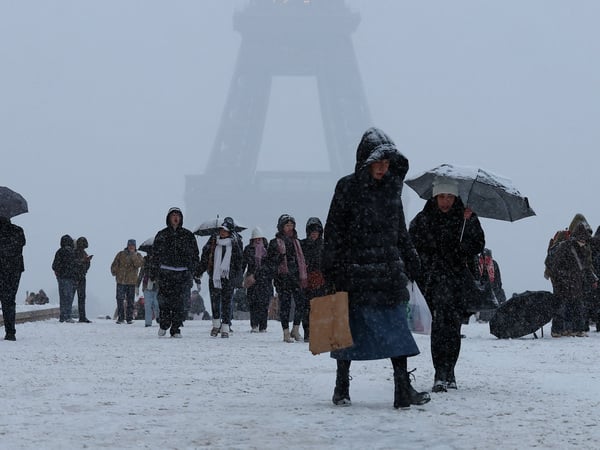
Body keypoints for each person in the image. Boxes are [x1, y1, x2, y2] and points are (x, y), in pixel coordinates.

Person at [321, 127, 430, 409]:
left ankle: (401, 388)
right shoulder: (346, 187)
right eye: (377, 163)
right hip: (356, 274)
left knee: (395, 333)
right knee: (349, 331)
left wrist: (412, 260)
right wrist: (331, 268)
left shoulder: (391, 190)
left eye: (386, 163)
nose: (382, 168)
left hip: (385, 273)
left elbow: (400, 231)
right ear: (365, 162)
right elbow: (334, 231)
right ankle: (342, 385)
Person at [409, 176, 485, 393]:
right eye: (442, 196)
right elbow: (412, 245)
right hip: (433, 281)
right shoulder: (423, 219)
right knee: (439, 327)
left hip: (457, 280)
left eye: (450, 196)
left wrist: (468, 226)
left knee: (453, 328)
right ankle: (439, 373)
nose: (445, 201)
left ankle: (449, 371)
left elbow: (478, 243)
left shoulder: (466, 217)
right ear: (435, 196)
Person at [152, 207, 200, 338]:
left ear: (181, 218)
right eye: (173, 215)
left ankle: (176, 328)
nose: (175, 217)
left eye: (178, 215)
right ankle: (164, 323)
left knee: (180, 304)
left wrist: (195, 271)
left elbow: (195, 255)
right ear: (169, 218)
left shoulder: (188, 235)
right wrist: (153, 273)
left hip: (182, 275)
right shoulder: (162, 235)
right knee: (164, 302)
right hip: (165, 274)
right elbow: (154, 255)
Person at [546, 219, 597, 337]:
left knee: (574, 306)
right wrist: (564, 278)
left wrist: (593, 279)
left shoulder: (580, 248)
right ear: (578, 238)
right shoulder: (565, 247)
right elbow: (556, 266)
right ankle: (558, 330)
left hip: (573, 282)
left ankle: (574, 330)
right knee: (563, 306)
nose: (584, 242)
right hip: (564, 283)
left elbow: (585, 267)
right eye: (583, 240)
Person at [196, 217, 244, 338]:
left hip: (229, 277)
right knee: (215, 301)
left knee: (227, 302)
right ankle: (216, 324)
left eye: (225, 230)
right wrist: (199, 271)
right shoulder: (213, 240)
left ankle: (226, 327)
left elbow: (239, 261)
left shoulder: (236, 242)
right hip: (214, 276)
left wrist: (238, 278)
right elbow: (205, 257)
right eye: (221, 230)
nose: (222, 232)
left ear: (230, 231)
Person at [264, 214, 307, 343]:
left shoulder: (297, 242)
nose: (290, 228)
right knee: (285, 305)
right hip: (283, 278)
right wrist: (279, 258)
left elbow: (302, 259)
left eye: (291, 225)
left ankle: (295, 329)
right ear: (281, 227)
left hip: (297, 277)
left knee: (301, 303)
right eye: (287, 225)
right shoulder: (274, 243)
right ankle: (285, 332)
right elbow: (270, 262)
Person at [300, 217, 326, 343]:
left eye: (317, 230)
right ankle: (308, 332)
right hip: (306, 280)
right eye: (312, 230)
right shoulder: (303, 245)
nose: (314, 233)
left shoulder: (324, 245)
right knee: (307, 308)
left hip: (322, 280)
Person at [242, 227, 272, 332]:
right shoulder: (248, 249)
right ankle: (254, 325)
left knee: (264, 304)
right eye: (256, 238)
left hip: (265, 279)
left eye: (260, 238)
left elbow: (270, 265)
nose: (258, 240)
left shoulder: (268, 250)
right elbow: (244, 264)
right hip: (252, 280)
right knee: (253, 303)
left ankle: (263, 326)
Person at [0, 216, 26, 340]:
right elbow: (22, 244)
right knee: (9, 300)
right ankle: (10, 332)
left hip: (2, 268)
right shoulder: (18, 230)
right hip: (14, 269)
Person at [110, 239, 144, 324]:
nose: (131, 247)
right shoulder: (121, 254)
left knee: (130, 300)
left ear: (135, 246)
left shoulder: (138, 255)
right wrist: (115, 271)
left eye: (133, 245)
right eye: (130, 245)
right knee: (119, 299)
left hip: (131, 282)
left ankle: (129, 318)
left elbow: (138, 264)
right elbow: (114, 264)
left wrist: (133, 255)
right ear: (127, 245)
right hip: (120, 280)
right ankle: (120, 317)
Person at [474, 248, 506, 322]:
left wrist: (497, 287)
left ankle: (491, 317)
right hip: (481, 287)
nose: (486, 259)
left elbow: (498, 277)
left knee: (495, 301)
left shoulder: (494, 264)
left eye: (488, 257)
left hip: (492, 287)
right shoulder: (477, 263)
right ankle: (482, 318)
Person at [52, 234, 78, 323]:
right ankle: (68, 316)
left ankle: (62, 316)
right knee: (68, 297)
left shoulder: (59, 251)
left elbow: (54, 265)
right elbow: (75, 265)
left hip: (61, 277)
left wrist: (58, 272)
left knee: (62, 297)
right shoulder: (72, 252)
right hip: (70, 278)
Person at [137, 249, 160, 327]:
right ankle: (148, 323)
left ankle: (158, 317)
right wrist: (137, 285)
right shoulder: (145, 261)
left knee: (157, 304)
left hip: (157, 286)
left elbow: (161, 273)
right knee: (148, 305)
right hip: (146, 286)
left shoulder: (159, 261)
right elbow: (141, 273)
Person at [74, 236, 92, 323]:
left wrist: (87, 261)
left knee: (82, 297)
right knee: (79, 297)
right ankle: (81, 316)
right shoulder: (75, 252)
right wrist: (83, 262)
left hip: (81, 276)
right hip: (77, 277)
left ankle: (82, 316)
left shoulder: (83, 253)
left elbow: (86, 266)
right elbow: (74, 264)